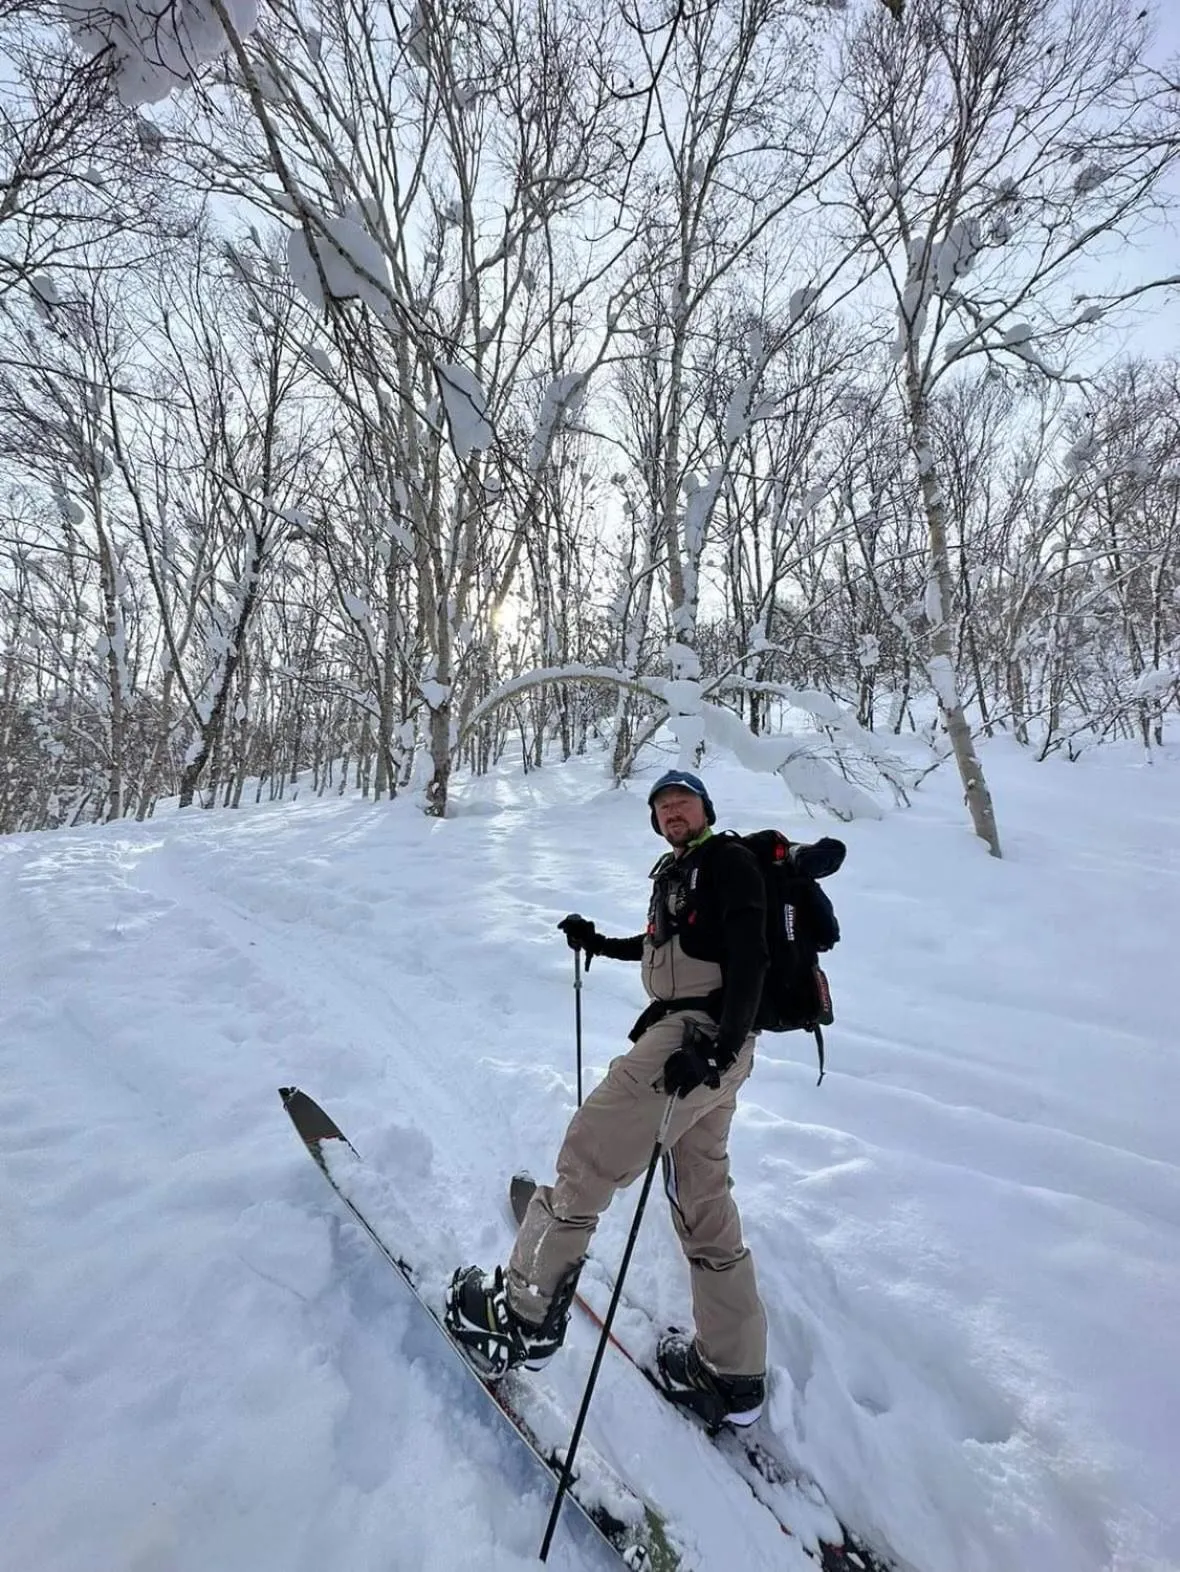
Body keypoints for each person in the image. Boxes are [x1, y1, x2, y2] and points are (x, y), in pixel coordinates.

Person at [445, 768, 770, 1429]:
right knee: (703, 1192)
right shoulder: (680, 875)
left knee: (589, 1154)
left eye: (683, 802)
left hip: (697, 1042)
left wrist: (711, 1048)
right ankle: (735, 1373)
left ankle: (521, 1315)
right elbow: (666, 952)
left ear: (706, 809)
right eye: (663, 807)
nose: (673, 812)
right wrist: (598, 943)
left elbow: (752, 957)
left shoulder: (728, 862)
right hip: (714, 1050)